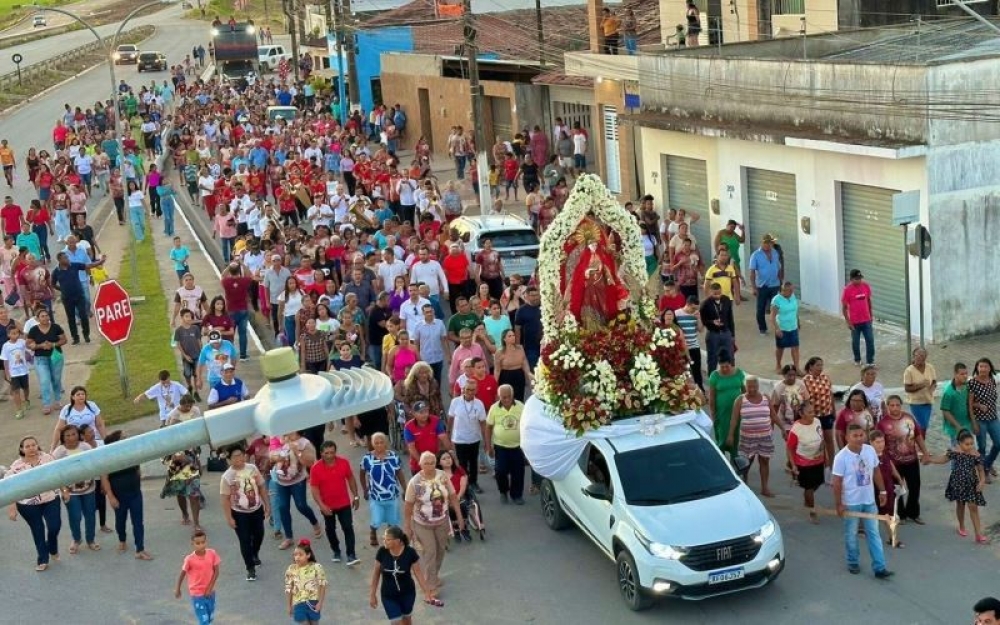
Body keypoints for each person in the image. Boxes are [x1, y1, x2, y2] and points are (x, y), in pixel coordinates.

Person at [831, 423, 893, 578]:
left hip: (869, 500)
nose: (859, 439)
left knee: (874, 533)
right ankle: (853, 562)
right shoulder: (841, 458)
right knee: (851, 534)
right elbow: (837, 482)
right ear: (847, 437)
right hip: (851, 503)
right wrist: (839, 504)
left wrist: (883, 491)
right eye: (855, 436)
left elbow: (876, 471)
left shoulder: (870, 450)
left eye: (861, 435)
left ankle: (879, 567)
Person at [404, 451, 465, 596]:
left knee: (441, 550)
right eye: (426, 463)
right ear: (420, 464)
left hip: (442, 521)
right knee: (430, 552)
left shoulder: (442, 477)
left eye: (432, 462)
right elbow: (408, 505)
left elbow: (452, 496)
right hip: (422, 523)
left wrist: (460, 517)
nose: (429, 466)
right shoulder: (415, 482)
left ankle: (433, 575)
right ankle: (430, 586)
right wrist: (408, 527)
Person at [5, 436, 62, 571]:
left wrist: (64, 490)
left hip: (50, 498)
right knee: (38, 530)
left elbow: (59, 474)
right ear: (22, 449)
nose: (31, 448)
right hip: (28, 505)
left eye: (33, 445)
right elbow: (10, 487)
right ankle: (43, 559)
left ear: (38, 446)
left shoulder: (47, 458)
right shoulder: (16, 467)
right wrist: (12, 507)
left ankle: (52, 548)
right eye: (27, 446)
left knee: (54, 527)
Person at [924, 429, 988, 543]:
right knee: (960, 505)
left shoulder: (975, 455)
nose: (970, 446)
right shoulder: (954, 452)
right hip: (957, 482)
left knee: (973, 507)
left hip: (971, 484)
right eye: (967, 444)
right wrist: (931, 460)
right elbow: (943, 459)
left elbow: (981, 470)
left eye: (971, 444)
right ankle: (962, 526)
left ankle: (978, 534)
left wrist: (982, 481)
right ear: (959, 443)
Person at [101, 430, 153, 560]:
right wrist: (111, 497)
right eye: (123, 437)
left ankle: (140, 549)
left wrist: (138, 480)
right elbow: (104, 478)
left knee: (138, 522)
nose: (127, 438)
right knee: (120, 521)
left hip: (135, 493)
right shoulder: (108, 458)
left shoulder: (131, 452)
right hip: (119, 496)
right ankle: (122, 539)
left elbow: (138, 468)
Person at [369, 525, 438, 623]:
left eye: (388, 539)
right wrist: (372, 594)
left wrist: (427, 592)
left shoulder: (410, 552)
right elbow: (376, 574)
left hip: (407, 593)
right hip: (388, 596)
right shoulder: (382, 552)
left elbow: (418, 573)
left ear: (398, 541)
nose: (384, 541)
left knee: (407, 620)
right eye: (384, 538)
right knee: (396, 622)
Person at [727, 376, 783, 497]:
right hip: (748, 437)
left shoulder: (765, 398)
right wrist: (730, 435)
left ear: (758, 386)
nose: (752, 389)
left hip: (765, 437)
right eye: (749, 387)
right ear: (745, 387)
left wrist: (783, 428)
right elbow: (734, 419)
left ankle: (764, 487)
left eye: (754, 386)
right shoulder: (740, 400)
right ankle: (745, 481)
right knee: (747, 461)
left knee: (764, 461)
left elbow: (774, 415)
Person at [219, 445, 269, 582]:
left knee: (259, 534)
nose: (239, 458)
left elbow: (261, 487)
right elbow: (225, 498)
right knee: (245, 540)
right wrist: (229, 517)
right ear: (229, 460)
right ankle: (250, 568)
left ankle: (254, 553)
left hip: (256, 509)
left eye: (241, 454)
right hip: (239, 513)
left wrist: (267, 505)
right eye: (235, 456)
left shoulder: (252, 469)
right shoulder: (227, 477)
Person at [309, 440, 362, 566]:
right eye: (326, 453)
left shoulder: (343, 463)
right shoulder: (315, 468)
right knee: (330, 529)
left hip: (344, 503)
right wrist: (321, 505)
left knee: (348, 527)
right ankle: (336, 550)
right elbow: (314, 489)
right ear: (321, 453)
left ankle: (351, 554)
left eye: (332, 452)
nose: (330, 455)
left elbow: (350, 478)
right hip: (327, 506)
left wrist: (355, 497)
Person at [876, 395, 927, 524]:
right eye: (892, 405)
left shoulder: (909, 418)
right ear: (887, 407)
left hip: (911, 460)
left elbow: (918, 436)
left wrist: (925, 452)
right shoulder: (882, 424)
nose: (895, 408)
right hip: (894, 463)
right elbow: (879, 443)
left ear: (901, 405)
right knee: (897, 489)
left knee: (915, 487)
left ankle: (914, 513)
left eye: (897, 405)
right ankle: (900, 514)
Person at [52, 425, 99, 553]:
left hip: (88, 488)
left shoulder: (85, 447)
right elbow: (55, 473)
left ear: (78, 434)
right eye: (67, 435)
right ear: (63, 437)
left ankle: (91, 540)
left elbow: (93, 464)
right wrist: (63, 490)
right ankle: (76, 539)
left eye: (73, 434)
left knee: (90, 515)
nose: (71, 438)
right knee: (75, 516)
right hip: (69, 492)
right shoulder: (59, 452)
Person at [274, 431, 322, 551]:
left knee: (301, 505)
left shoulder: (305, 443)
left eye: (291, 430)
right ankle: (289, 537)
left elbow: (310, 462)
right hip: (281, 481)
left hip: (297, 481)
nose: (288, 432)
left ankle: (315, 522)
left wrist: (297, 451)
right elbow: (271, 454)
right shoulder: (282, 440)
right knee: (282, 507)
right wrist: (277, 456)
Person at [360, 432, 406, 547]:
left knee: (393, 520)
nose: (379, 445)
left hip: (392, 494)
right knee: (377, 519)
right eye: (376, 443)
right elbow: (361, 474)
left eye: (382, 442)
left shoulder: (393, 456)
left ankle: (390, 538)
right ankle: (373, 530)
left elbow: (399, 473)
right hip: (376, 496)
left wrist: (405, 489)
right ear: (372, 444)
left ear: (386, 443)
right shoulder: (367, 458)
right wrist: (365, 489)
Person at [486, 384, 526, 504]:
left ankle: (517, 495)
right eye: (503, 397)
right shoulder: (494, 408)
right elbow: (488, 427)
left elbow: (527, 425)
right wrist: (489, 447)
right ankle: (503, 491)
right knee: (500, 470)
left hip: (518, 446)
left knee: (518, 472)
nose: (507, 400)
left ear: (512, 395)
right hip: (500, 446)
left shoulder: (521, 406)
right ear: (499, 397)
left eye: (509, 397)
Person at [787, 401, 825, 523]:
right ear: (801, 414)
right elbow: (790, 448)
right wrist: (793, 465)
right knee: (809, 487)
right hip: (804, 463)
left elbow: (822, 440)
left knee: (818, 483)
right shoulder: (796, 429)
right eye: (809, 412)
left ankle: (807, 498)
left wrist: (827, 456)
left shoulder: (817, 422)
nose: (813, 414)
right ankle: (811, 511)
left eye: (813, 411)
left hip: (818, 460)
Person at [448, 378, 488, 494]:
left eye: (473, 390)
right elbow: (450, 418)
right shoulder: (455, 402)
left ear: (476, 390)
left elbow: (483, 423)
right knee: (462, 463)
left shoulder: (479, 403)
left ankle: (474, 482)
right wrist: (448, 432)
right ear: (463, 390)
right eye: (468, 389)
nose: (470, 392)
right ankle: (463, 485)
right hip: (459, 439)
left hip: (474, 438)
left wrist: (486, 441)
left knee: (473, 462)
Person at [174, 530, 221, 625]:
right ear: (192, 544)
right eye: (198, 543)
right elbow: (182, 574)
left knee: (209, 617)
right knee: (203, 620)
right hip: (197, 594)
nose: (201, 545)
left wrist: (209, 588)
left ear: (206, 542)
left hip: (210, 592)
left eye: (203, 542)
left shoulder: (212, 553)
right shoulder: (190, 559)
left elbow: (216, 572)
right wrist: (177, 588)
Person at [25, 307, 65, 415]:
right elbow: (28, 343)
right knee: (44, 380)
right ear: (37, 319)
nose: (45, 318)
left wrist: (53, 344)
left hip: (55, 356)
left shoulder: (55, 327)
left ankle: (57, 400)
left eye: (47, 315)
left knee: (56, 379)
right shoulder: (33, 330)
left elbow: (63, 339)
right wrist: (39, 345)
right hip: (40, 358)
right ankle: (46, 404)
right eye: (42, 316)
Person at [707, 352, 745, 458]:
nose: (724, 369)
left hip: (737, 413)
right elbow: (712, 397)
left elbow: (744, 392)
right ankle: (722, 462)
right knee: (722, 438)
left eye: (726, 366)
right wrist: (713, 414)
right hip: (722, 413)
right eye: (722, 367)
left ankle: (735, 462)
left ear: (731, 364)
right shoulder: (715, 376)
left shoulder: (739, 373)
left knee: (735, 437)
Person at [968, 357, 1000, 483]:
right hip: (979, 419)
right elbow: (969, 404)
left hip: (993, 418)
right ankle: (983, 473)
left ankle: (987, 464)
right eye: (980, 366)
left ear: (990, 368)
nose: (983, 369)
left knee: (998, 443)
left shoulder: (992, 380)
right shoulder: (972, 383)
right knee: (981, 447)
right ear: (977, 368)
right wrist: (978, 408)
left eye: (985, 366)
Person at [284, 539, 328, 624]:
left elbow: (322, 585)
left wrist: (320, 603)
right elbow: (289, 588)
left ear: (308, 555)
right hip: (298, 603)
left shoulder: (316, 567)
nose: (297, 557)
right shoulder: (291, 569)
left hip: (313, 603)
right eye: (295, 555)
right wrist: (289, 606)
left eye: (300, 555)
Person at [403, 400, 451, 475]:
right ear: (414, 414)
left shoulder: (436, 420)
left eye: (426, 411)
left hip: (435, 461)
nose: (425, 414)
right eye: (421, 412)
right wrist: (422, 463)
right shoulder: (408, 427)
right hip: (418, 465)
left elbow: (444, 438)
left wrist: (451, 452)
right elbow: (411, 448)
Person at [748, 234, 782, 335]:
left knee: (777, 307)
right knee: (761, 308)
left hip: (774, 284)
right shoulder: (755, 255)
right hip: (762, 286)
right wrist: (753, 287)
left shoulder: (775, 252)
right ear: (762, 243)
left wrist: (781, 282)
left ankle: (778, 327)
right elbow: (752, 272)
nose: (768, 245)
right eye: (766, 243)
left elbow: (778, 267)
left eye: (770, 243)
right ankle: (762, 328)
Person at [841, 268, 875, 367]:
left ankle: (870, 361)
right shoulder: (847, 290)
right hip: (855, 322)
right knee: (855, 342)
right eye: (856, 279)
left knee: (870, 340)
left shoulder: (865, 286)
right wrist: (848, 322)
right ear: (851, 279)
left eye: (860, 278)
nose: (859, 280)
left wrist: (871, 315)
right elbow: (844, 308)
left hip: (866, 320)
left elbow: (868, 301)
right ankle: (857, 359)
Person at [700, 283, 735, 374]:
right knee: (712, 358)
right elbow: (702, 320)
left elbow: (730, 318)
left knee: (730, 356)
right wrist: (712, 322)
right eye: (715, 294)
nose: (717, 296)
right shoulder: (705, 304)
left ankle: (730, 376)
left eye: (719, 293)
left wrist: (732, 334)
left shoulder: (726, 300)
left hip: (726, 332)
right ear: (710, 292)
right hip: (713, 333)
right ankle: (712, 380)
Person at [903, 347, 937, 431]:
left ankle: (920, 441)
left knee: (924, 426)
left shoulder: (930, 367)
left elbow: (934, 381)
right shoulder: (909, 371)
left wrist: (932, 388)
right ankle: (919, 441)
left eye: (923, 355)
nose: (920, 357)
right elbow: (907, 388)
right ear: (913, 356)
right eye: (918, 355)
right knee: (922, 425)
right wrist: (921, 385)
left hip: (928, 401)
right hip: (916, 403)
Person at [769, 281, 801, 373]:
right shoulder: (776, 300)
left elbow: (795, 310)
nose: (791, 292)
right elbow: (772, 316)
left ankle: (797, 367)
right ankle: (778, 365)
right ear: (783, 290)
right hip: (782, 327)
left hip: (793, 326)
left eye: (792, 290)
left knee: (795, 347)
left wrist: (798, 322)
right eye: (789, 290)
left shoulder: (792, 296)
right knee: (780, 348)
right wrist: (777, 328)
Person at [0, 324, 30, 419]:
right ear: (8, 335)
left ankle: (26, 400)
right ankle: (19, 410)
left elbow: (28, 349)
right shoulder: (6, 346)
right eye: (13, 333)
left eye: (17, 333)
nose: (16, 335)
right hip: (13, 373)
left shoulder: (22, 342)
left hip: (24, 371)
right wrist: (7, 373)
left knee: (26, 388)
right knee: (15, 391)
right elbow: (5, 360)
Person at [941, 362, 974, 446]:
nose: (965, 376)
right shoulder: (948, 392)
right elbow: (945, 411)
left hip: (967, 425)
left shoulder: (967, 386)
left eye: (966, 373)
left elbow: (969, 403)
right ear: (955, 374)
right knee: (958, 453)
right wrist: (957, 426)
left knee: (969, 450)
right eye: (962, 374)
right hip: (955, 429)